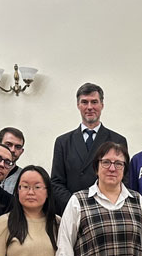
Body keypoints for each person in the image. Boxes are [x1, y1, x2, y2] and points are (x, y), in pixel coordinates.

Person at [51, 83, 128, 214]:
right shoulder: (63, 142)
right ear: (78, 105)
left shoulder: (118, 140)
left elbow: (123, 179)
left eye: (94, 102)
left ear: (102, 105)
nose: (90, 107)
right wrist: (75, 206)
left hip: (107, 211)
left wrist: (106, 205)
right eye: (84, 102)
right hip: (73, 211)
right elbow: (56, 182)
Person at [0, 127, 25, 193]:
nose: (13, 150)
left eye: (18, 147)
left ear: (21, 151)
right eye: (8, 144)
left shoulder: (24, 178)